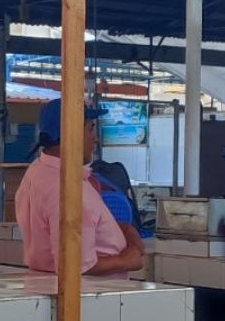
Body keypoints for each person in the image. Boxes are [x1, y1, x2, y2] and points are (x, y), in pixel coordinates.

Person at [15, 99, 144, 276]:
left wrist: (121, 230)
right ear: (71, 134)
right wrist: (126, 260)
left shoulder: (39, 170)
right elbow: (76, 265)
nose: (95, 138)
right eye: (90, 129)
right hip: (89, 295)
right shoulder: (66, 189)